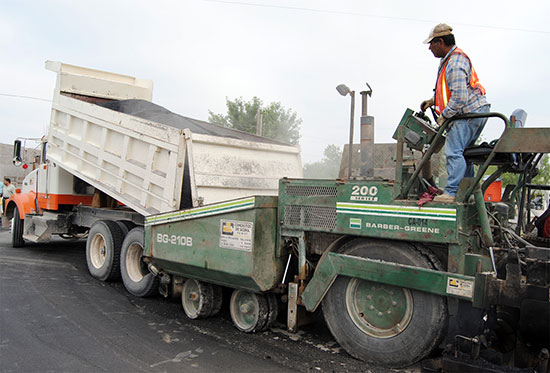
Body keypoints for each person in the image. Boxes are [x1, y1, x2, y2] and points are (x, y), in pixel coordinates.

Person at [420, 23, 490, 203]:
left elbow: (459, 98)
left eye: (431, 44)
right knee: (464, 154)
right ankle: (466, 193)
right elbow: (451, 91)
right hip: (475, 111)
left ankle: (451, 192)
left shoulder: (455, 63)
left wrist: (445, 115)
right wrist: (433, 101)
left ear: (440, 42)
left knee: (453, 152)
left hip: (468, 113)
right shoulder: (450, 61)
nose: (429, 48)